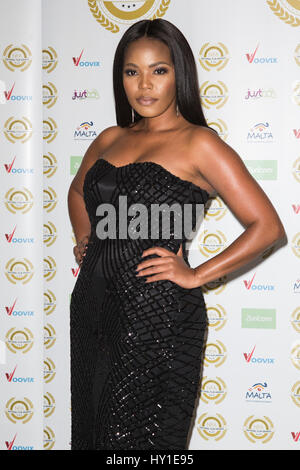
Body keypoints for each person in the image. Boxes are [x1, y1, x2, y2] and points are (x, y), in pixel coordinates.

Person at [67, 18, 286, 450]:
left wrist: (195, 274)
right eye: (132, 71)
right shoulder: (111, 138)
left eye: (158, 70)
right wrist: (85, 239)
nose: (144, 84)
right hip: (92, 309)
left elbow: (268, 227)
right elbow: (77, 191)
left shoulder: (199, 143)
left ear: (178, 74)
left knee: (138, 444)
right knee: (90, 434)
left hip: (157, 316)